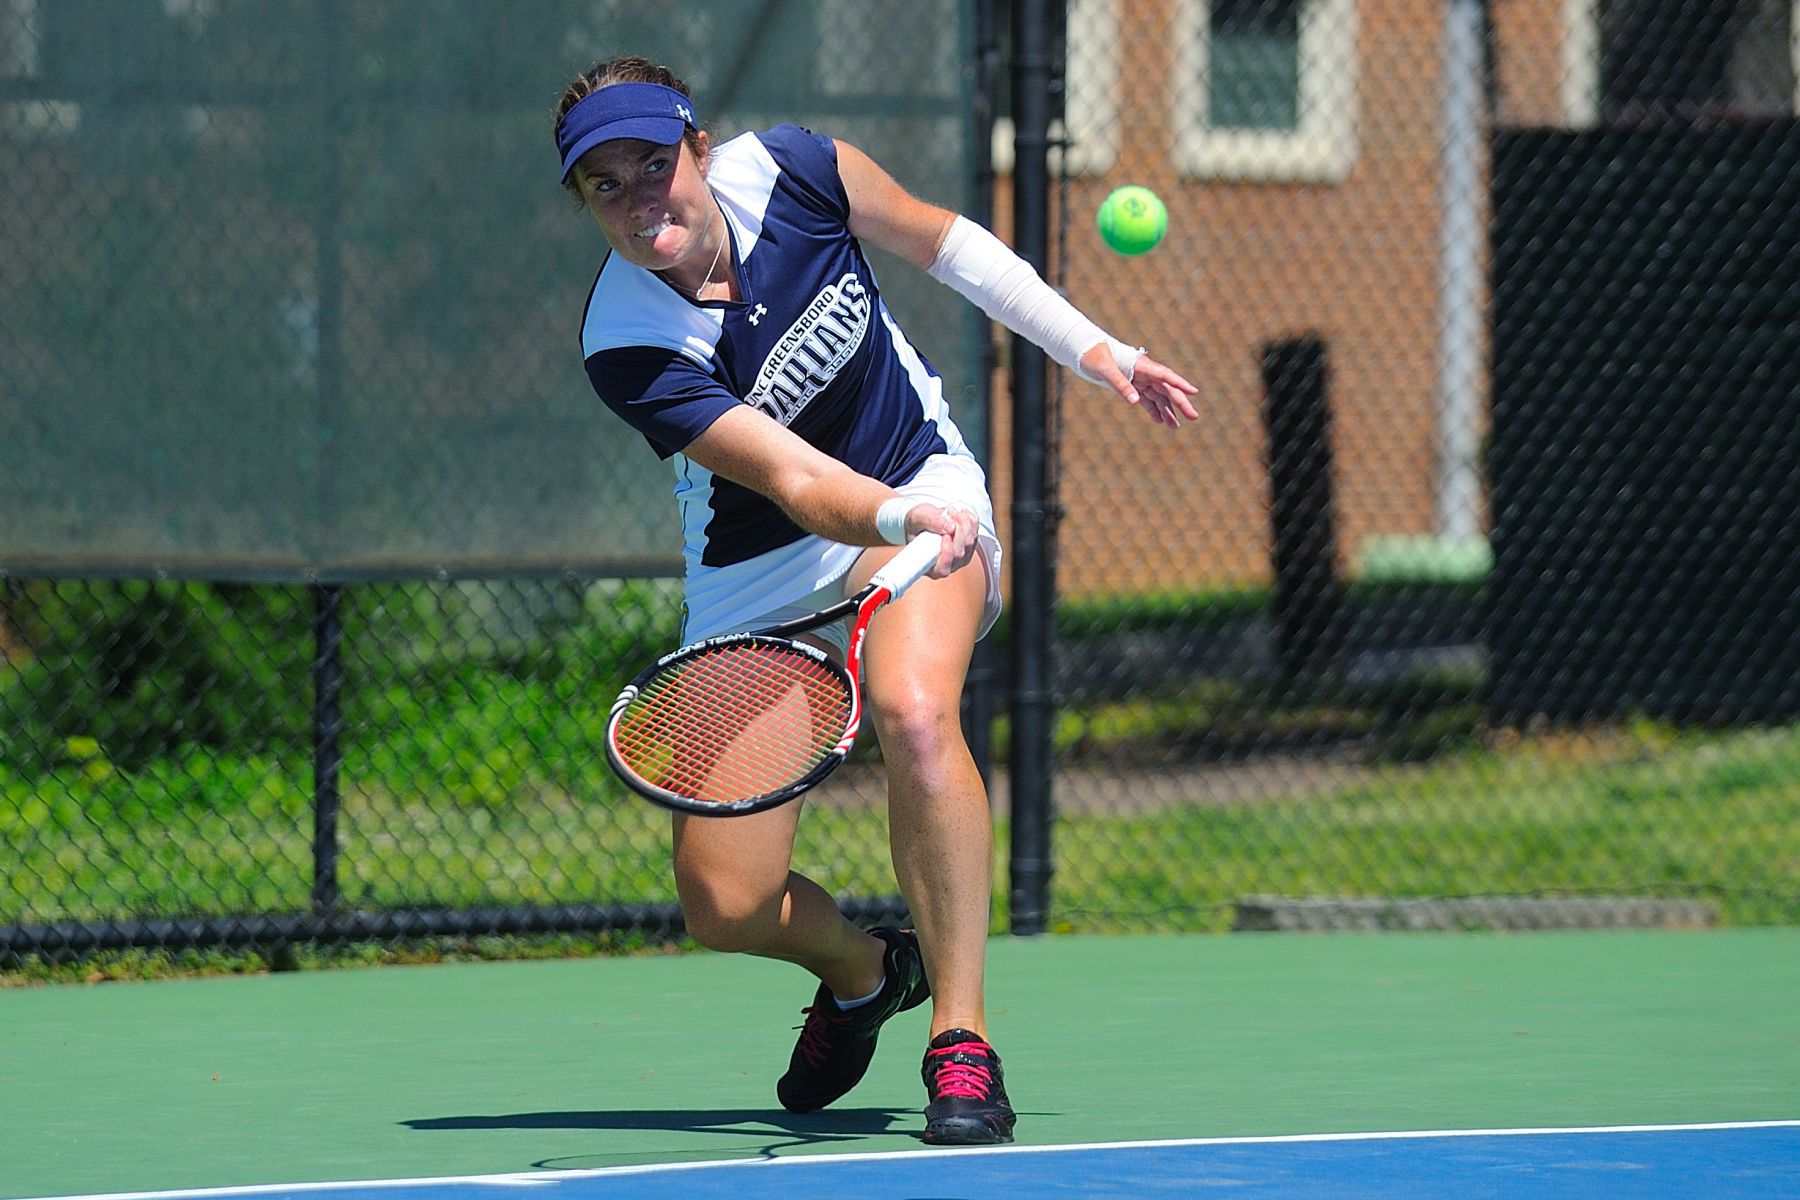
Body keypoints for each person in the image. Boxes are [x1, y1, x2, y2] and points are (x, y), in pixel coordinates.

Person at [554, 55, 1198, 1146]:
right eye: (603, 186)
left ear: (700, 152)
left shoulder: (800, 170)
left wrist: (1095, 351)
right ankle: (865, 973)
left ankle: (962, 1039)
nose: (637, 199)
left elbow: (947, 243)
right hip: (760, 576)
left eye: (653, 166)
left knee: (911, 710)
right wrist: (891, 519)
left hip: (923, 481)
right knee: (726, 905)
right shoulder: (627, 341)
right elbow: (798, 483)